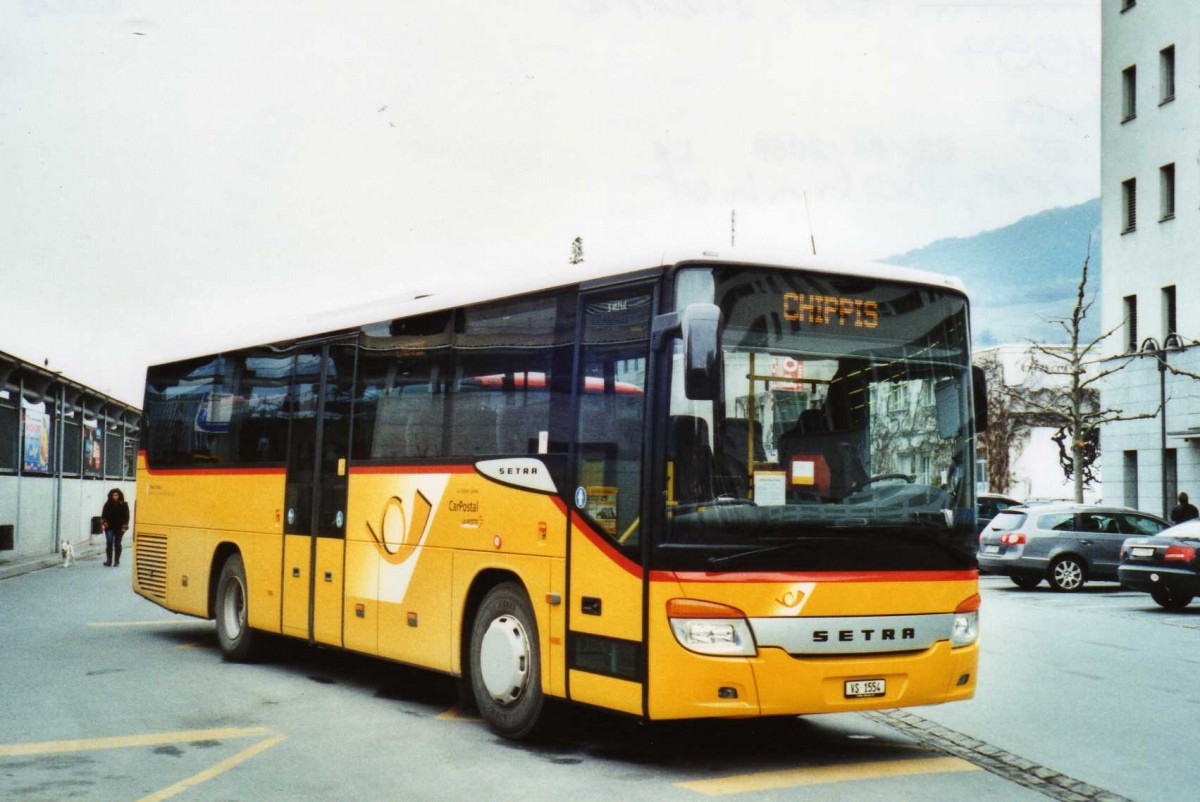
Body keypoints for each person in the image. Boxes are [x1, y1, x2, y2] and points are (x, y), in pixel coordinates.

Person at [101, 488, 130, 567]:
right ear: (111, 496)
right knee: (109, 543)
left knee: (117, 544)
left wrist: (124, 526)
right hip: (109, 527)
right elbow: (103, 515)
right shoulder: (107, 504)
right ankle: (109, 560)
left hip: (119, 528)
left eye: (116, 495)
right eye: (113, 495)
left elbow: (126, 516)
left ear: (119, 495)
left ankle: (116, 561)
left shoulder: (124, 504)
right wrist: (104, 522)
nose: (115, 497)